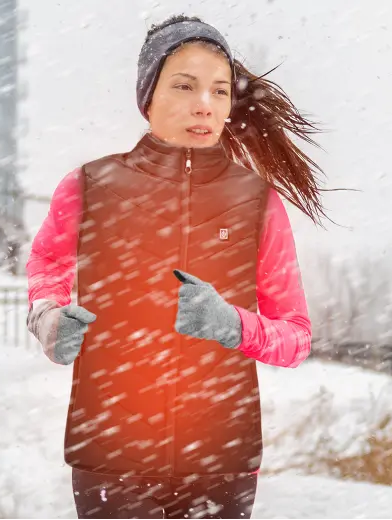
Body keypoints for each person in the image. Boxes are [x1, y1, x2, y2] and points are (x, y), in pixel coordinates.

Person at [26, 14, 330, 520]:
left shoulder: (256, 202)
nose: (204, 105)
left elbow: (296, 338)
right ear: (147, 97)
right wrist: (48, 320)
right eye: (184, 86)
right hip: (111, 455)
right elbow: (47, 267)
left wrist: (231, 325)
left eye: (218, 91)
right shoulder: (90, 186)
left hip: (220, 460)